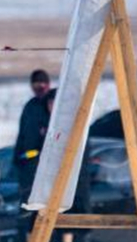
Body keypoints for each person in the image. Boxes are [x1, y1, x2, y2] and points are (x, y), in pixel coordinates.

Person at [43, 89, 91, 242]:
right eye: (50, 103)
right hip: (54, 185)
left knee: (68, 227)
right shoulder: (48, 122)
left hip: (72, 184)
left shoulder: (74, 124)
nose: (52, 106)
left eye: (54, 103)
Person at [13, 69, 52, 242]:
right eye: (36, 83)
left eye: (42, 83)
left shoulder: (54, 105)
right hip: (29, 167)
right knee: (27, 211)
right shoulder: (30, 106)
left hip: (47, 167)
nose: (39, 86)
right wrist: (17, 158)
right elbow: (22, 134)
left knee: (46, 210)